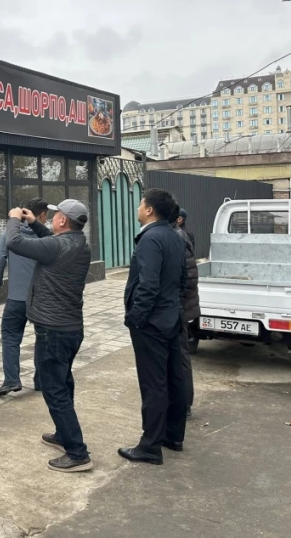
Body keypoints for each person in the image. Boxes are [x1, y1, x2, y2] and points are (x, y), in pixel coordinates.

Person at [5, 199, 93, 473]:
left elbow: (14, 242)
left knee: (54, 390)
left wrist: (14, 218)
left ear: (63, 221)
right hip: (70, 328)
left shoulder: (57, 247)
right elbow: (51, 241)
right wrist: (34, 223)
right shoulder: (80, 244)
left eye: (56, 215)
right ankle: (63, 433)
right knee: (63, 383)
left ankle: (77, 452)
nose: (53, 218)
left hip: (52, 331)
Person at [120, 189, 188, 466]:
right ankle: (173, 436)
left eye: (141, 203)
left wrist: (136, 317)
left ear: (149, 210)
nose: (138, 208)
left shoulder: (150, 238)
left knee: (154, 384)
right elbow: (182, 280)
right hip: (172, 317)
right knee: (174, 378)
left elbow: (148, 285)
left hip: (152, 323)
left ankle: (150, 446)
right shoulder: (174, 236)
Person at [0, 197, 49, 396]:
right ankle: (41, 380)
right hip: (41, 298)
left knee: (10, 337)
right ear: (42, 215)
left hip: (17, 297)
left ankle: (11, 380)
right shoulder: (47, 236)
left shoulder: (10, 233)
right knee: (43, 338)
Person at [170, 204, 198, 420]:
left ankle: (184, 404)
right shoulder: (178, 236)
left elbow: (187, 279)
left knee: (180, 357)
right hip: (181, 307)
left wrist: (177, 305)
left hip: (180, 309)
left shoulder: (179, 238)